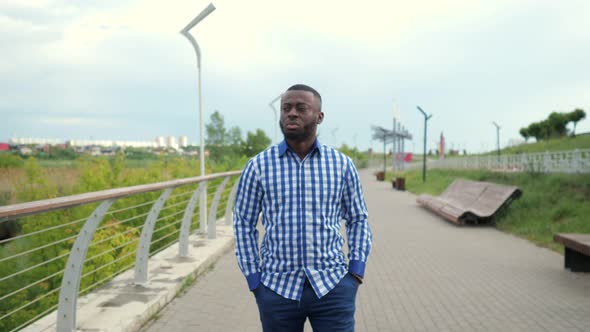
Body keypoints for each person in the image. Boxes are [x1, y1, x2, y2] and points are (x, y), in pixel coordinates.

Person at [233, 84, 372, 331]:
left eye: (301, 108)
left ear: (319, 116)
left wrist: (356, 272)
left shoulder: (341, 165)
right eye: (286, 108)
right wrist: (254, 280)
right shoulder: (258, 166)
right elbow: (243, 223)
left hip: (333, 287)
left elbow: (358, 218)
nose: (292, 113)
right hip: (276, 289)